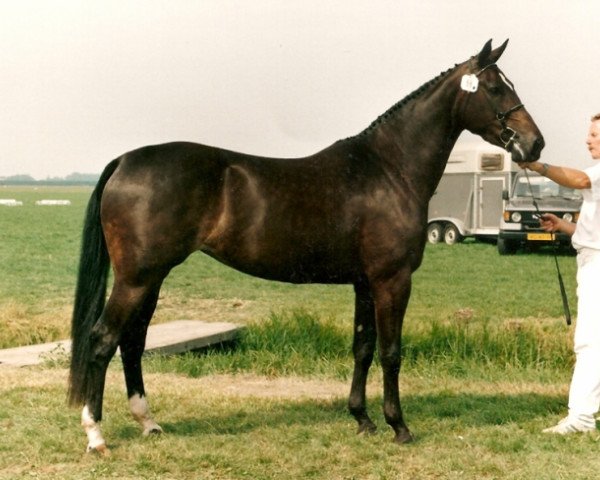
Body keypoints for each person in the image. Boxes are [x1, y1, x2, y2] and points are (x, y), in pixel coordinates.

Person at [522, 113, 600, 434]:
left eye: (595, 134)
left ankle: (580, 418)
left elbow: (578, 179)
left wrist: (538, 166)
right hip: (592, 261)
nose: (588, 139)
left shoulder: (594, 175)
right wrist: (565, 225)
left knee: (589, 343)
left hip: (597, 267)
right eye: (589, 134)